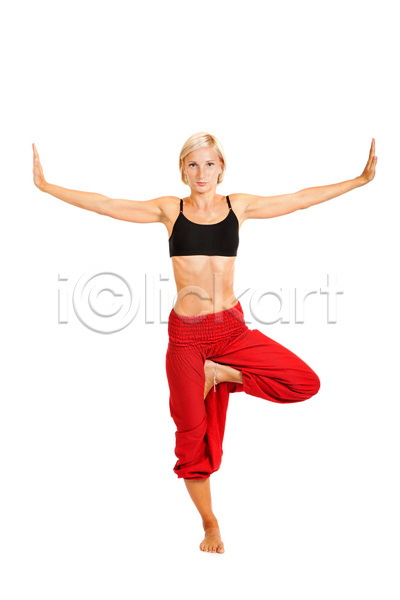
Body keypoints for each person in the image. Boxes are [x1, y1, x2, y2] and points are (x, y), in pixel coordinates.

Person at [32, 133, 377, 554]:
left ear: (221, 168)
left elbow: (299, 199)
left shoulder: (239, 206)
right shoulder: (169, 210)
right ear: (182, 169)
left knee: (304, 382)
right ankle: (210, 524)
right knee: (191, 437)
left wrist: (358, 180)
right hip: (186, 339)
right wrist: (47, 186)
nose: (201, 173)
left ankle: (222, 373)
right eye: (193, 164)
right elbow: (106, 204)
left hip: (230, 330)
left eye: (209, 164)